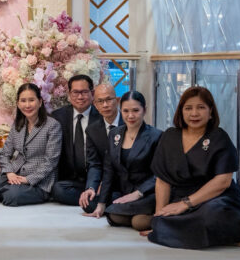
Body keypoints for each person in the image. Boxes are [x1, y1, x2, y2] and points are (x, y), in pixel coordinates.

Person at [148, 86, 240, 250]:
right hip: (181, 199)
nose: (194, 114)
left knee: (210, 215)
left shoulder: (219, 137)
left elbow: (223, 182)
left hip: (217, 199)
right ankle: (239, 239)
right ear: (181, 111)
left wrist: (186, 204)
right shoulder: (170, 136)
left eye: (201, 108)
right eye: (188, 108)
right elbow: (163, 181)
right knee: (160, 224)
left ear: (210, 111)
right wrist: (160, 214)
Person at [0, 83, 62, 206]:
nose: (27, 105)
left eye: (31, 100)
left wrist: (28, 179)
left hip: (39, 181)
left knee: (11, 196)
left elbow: (51, 161)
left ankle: (9, 191)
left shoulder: (52, 125)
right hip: (14, 175)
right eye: (23, 101)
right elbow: (4, 154)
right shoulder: (18, 124)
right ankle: (7, 189)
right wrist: (9, 173)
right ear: (18, 104)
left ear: (40, 102)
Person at [87, 91, 162, 231]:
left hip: (148, 193)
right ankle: (137, 215)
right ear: (121, 110)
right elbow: (108, 170)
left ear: (144, 110)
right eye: (126, 111)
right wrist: (101, 204)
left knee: (136, 222)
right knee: (108, 212)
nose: (130, 116)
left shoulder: (156, 136)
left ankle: (147, 216)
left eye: (135, 110)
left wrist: (138, 193)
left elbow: (159, 174)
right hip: (125, 192)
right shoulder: (115, 134)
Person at [51, 75, 101, 207]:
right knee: (57, 190)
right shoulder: (58, 117)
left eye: (84, 92)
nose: (80, 97)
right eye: (75, 92)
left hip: (96, 178)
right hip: (70, 181)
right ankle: (93, 200)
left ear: (92, 93)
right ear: (69, 94)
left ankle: (93, 196)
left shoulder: (101, 117)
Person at [79, 83, 124, 213]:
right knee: (88, 204)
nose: (105, 105)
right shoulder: (92, 130)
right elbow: (94, 164)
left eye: (109, 100)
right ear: (95, 105)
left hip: (128, 182)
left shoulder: (128, 123)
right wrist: (91, 187)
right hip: (105, 183)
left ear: (117, 100)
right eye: (100, 101)